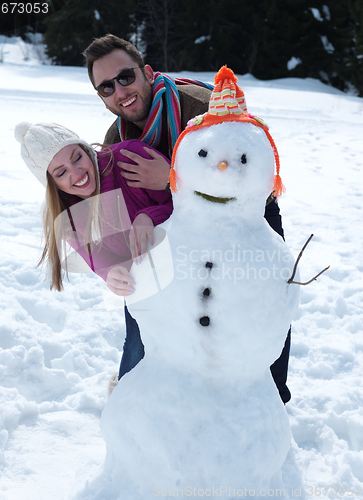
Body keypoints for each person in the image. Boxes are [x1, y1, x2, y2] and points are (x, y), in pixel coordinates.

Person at [83, 34, 292, 403]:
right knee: (145, 296)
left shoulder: (202, 110)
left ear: (147, 72)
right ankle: (135, 393)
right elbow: (108, 217)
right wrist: (113, 265)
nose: (120, 91)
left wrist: (170, 178)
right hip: (173, 224)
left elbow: (249, 172)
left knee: (261, 295)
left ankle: (269, 397)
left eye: (126, 77)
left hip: (244, 215)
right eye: (106, 87)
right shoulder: (115, 137)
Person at [14, 122, 173, 385]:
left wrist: (150, 216)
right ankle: (129, 403)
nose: (77, 173)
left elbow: (189, 203)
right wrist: (113, 274)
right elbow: (99, 260)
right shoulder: (69, 217)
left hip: (192, 266)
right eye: (61, 172)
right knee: (138, 348)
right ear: (52, 183)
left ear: (86, 148)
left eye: (77, 157)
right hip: (147, 287)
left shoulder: (128, 159)